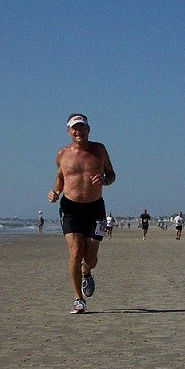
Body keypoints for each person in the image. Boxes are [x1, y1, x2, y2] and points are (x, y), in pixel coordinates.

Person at [47, 113, 116, 314]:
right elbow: (60, 179)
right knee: (76, 252)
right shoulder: (62, 154)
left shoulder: (99, 150)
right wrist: (55, 193)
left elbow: (112, 174)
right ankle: (78, 299)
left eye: (82, 127)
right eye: (74, 128)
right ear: (69, 131)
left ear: (88, 129)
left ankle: (87, 272)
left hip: (96, 208)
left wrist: (104, 180)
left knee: (91, 257)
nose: (79, 131)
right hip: (70, 208)